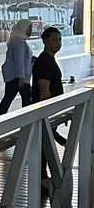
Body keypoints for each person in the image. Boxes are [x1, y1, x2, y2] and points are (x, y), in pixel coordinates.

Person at [32, 26, 65, 190]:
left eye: (59, 40)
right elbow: (44, 90)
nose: (58, 43)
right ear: (45, 41)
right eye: (54, 40)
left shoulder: (48, 60)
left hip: (50, 112)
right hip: (47, 112)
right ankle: (41, 178)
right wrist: (49, 113)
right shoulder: (45, 62)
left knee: (46, 143)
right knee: (44, 144)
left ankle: (42, 177)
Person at [0, 19, 33, 115]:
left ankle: (1, 118)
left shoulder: (19, 40)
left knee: (10, 98)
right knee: (21, 98)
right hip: (17, 77)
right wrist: (21, 77)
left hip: (17, 76)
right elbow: (19, 60)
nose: (31, 30)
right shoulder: (19, 42)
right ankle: (27, 119)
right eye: (29, 27)